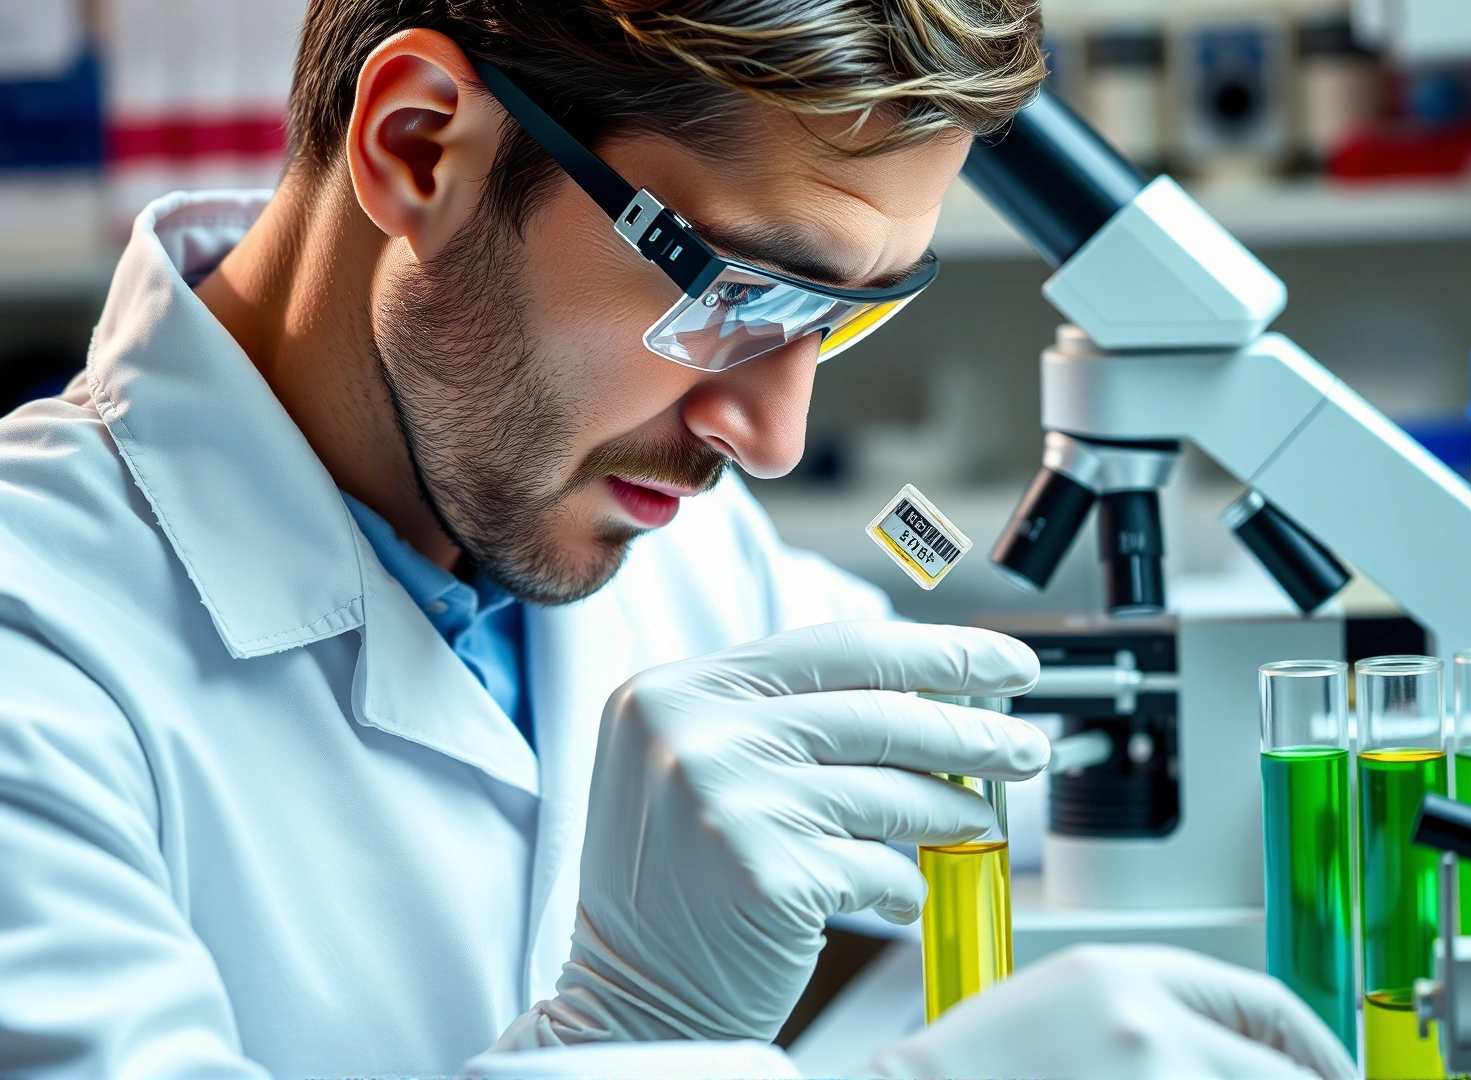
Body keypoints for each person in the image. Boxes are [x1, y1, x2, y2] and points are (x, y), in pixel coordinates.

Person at [0, 2, 1356, 1078]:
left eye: (840, 318)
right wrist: (630, 1040)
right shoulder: (39, 643)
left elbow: (1023, 809)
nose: (769, 436)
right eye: (737, 295)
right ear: (419, 147)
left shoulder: (688, 549)